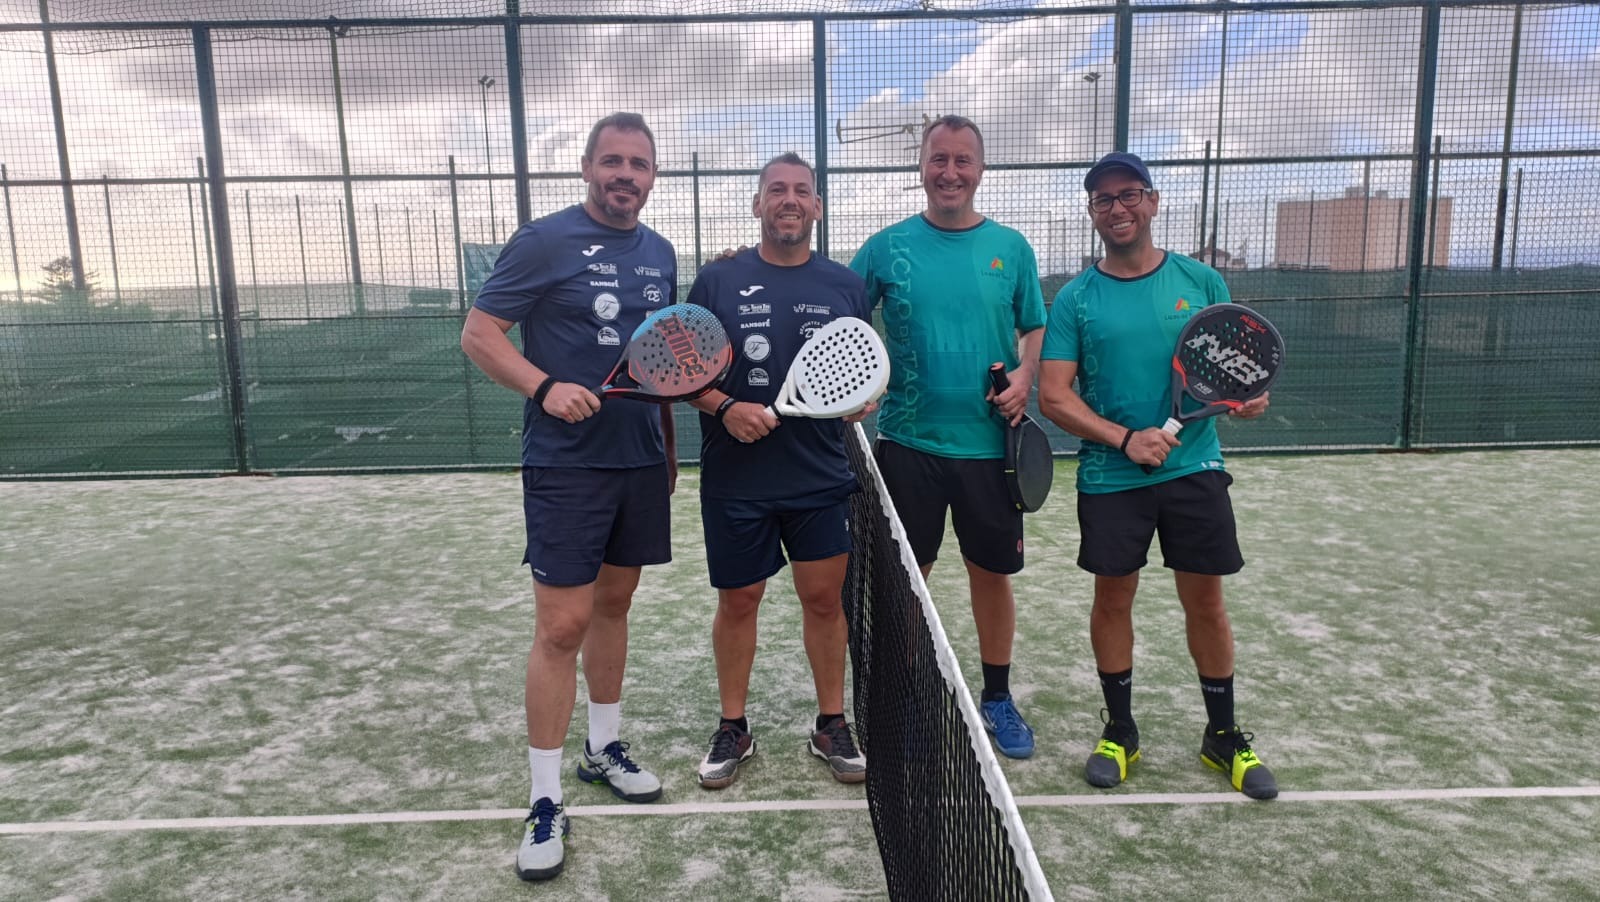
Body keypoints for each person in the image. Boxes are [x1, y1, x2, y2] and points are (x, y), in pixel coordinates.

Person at [460, 112, 677, 881]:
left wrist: (666, 452)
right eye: (613, 161)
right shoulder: (544, 241)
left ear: (652, 177)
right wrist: (545, 387)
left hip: (639, 462)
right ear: (587, 168)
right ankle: (545, 800)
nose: (626, 175)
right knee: (561, 628)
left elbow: (659, 358)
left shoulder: (660, 252)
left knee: (614, 607)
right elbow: (479, 334)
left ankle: (603, 748)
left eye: (639, 165)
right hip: (566, 466)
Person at [1037, 151, 1277, 800]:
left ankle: (1222, 736)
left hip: (1195, 469)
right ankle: (1120, 730)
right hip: (1111, 479)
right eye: (1103, 199)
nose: (1117, 208)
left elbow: (1236, 372)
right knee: (1113, 600)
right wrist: (1125, 439)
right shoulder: (1076, 299)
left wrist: (1248, 401)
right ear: (1093, 212)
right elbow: (1053, 395)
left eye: (1128, 194)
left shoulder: (1201, 281)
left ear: (1152, 201)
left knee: (1206, 602)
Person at [849, 115, 1047, 760]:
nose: (950, 172)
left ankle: (998, 697)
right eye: (939, 159)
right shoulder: (885, 247)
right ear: (922, 167)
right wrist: (860, 382)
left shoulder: (1011, 247)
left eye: (963, 160)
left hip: (992, 450)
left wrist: (1026, 375)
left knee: (991, 574)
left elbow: (1035, 327)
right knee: (910, 581)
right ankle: (907, 697)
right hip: (908, 444)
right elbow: (840, 311)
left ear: (980, 169)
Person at [686, 152, 872, 789]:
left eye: (800, 191)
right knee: (739, 601)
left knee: (823, 601)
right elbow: (685, 372)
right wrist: (725, 407)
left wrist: (859, 400)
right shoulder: (717, 280)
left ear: (816, 205)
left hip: (818, 478)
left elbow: (854, 370)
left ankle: (831, 723)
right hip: (736, 480)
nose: (789, 200)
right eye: (776, 190)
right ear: (758, 203)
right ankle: (733, 726)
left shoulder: (845, 285)